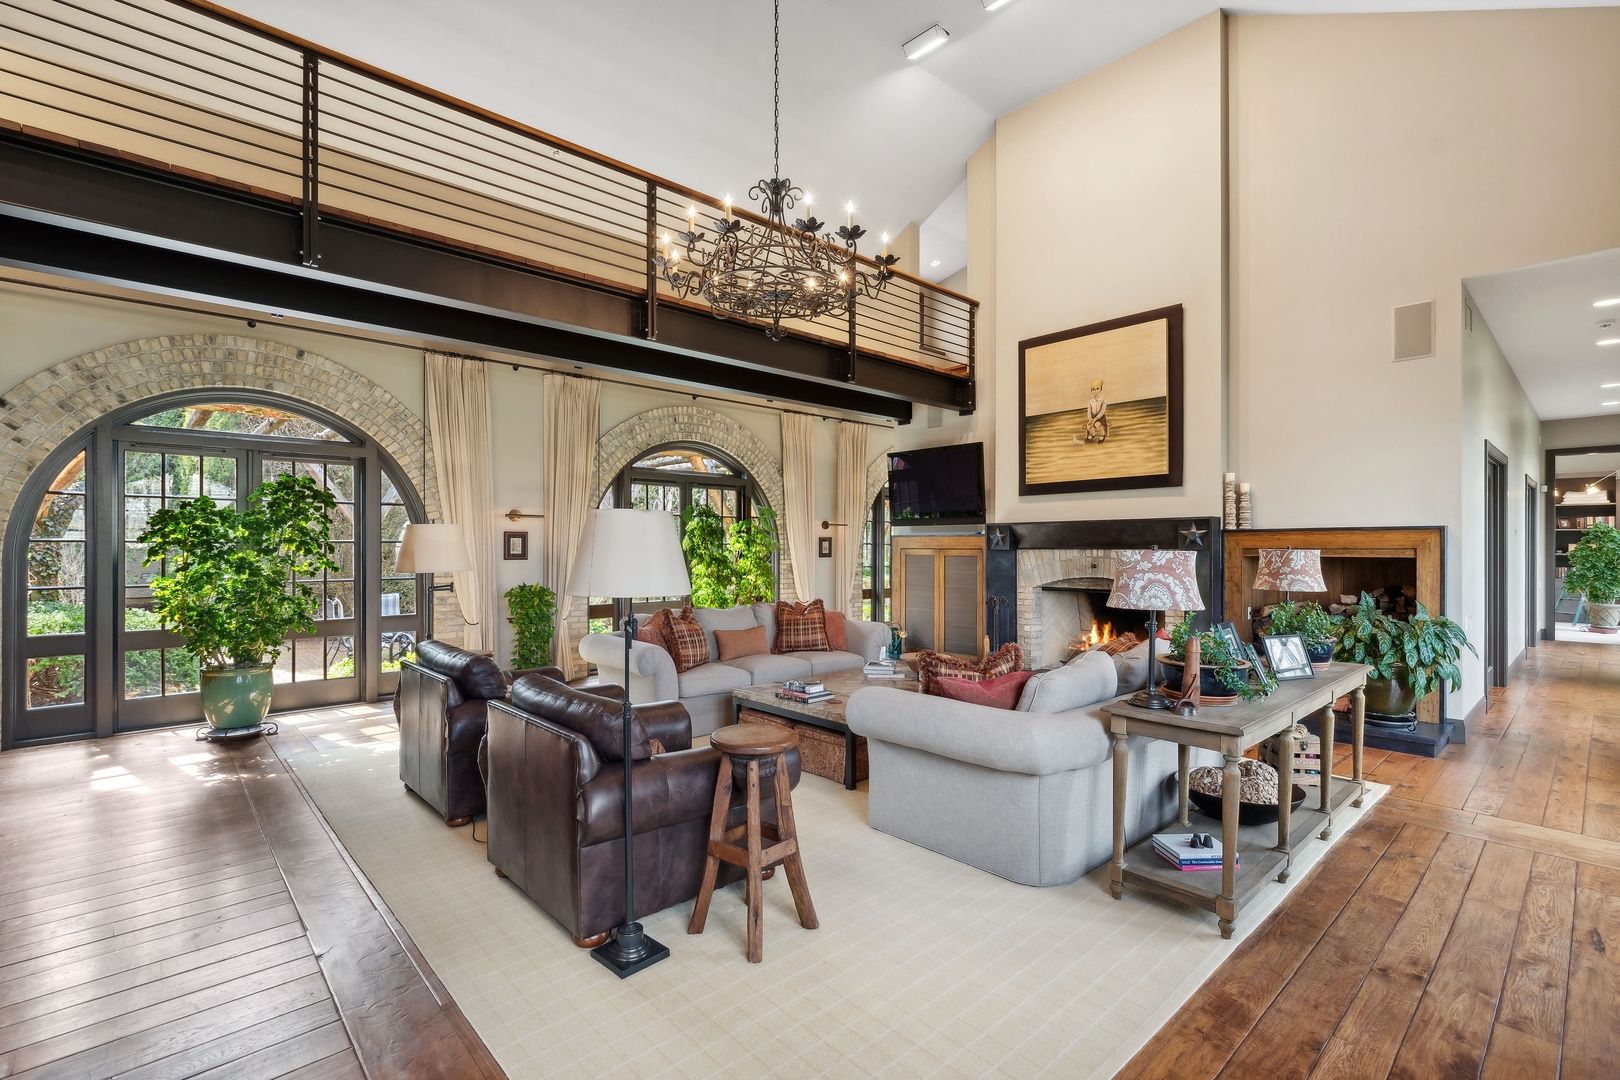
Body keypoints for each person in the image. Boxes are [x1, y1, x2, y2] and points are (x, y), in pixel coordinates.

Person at [1074, 378, 1109, 444]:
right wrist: (1090, 418)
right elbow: (1089, 411)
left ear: (1101, 389)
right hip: (1092, 417)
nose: (1095, 391)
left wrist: (1095, 419)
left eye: (1097, 388)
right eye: (1093, 389)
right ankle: (1092, 434)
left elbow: (1102, 411)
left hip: (1100, 417)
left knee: (1097, 424)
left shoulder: (1103, 399)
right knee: (1088, 425)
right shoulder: (1090, 401)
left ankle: (1102, 435)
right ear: (1091, 391)